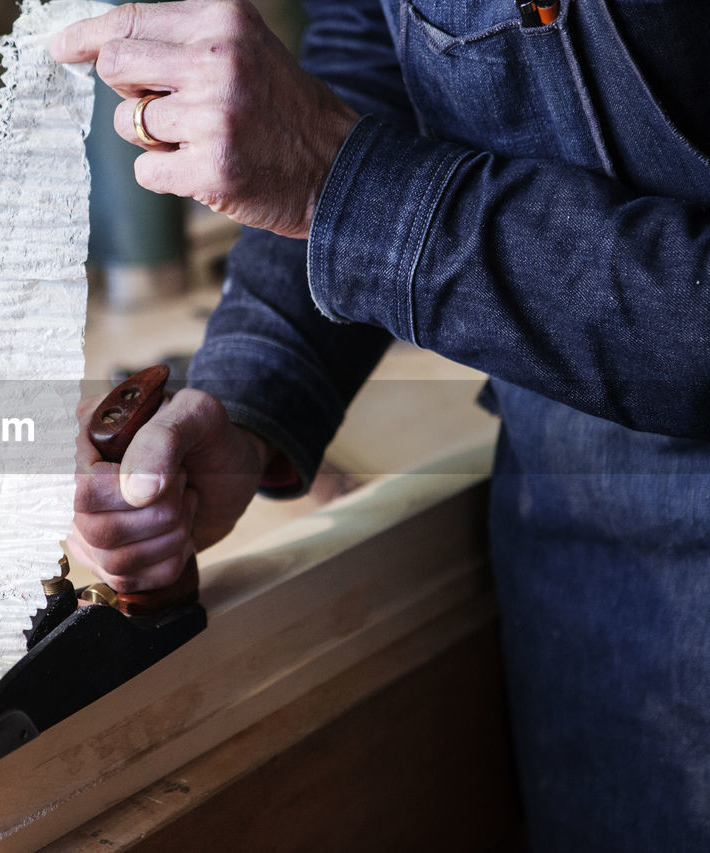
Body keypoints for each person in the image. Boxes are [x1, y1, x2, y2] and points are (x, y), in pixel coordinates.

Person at [51, 1, 710, 850]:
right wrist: (254, 387)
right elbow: (383, 48)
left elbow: (340, 158)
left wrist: (345, 182)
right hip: (581, 573)